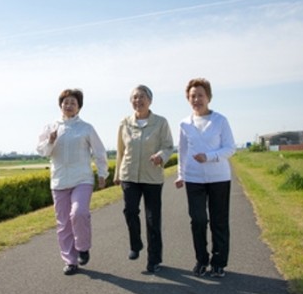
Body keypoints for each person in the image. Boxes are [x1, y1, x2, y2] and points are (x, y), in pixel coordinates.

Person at [37, 88, 108, 276]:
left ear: (79, 107)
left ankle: (83, 247)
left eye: (73, 103)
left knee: (79, 213)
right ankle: (70, 260)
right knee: (63, 223)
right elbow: (42, 151)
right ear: (60, 105)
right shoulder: (51, 127)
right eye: (66, 102)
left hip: (82, 179)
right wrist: (50, 141)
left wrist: (102, 173)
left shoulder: (86, 128)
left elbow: (99, 152)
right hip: (59, 180)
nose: (68, 105)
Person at [175, 78, 236, 278]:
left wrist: (209, 157)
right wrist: (180, 175)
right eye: (192, 96)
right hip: (194, 179)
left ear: (208, 97)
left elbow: (230, 148)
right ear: (188, 99)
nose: (196, 99)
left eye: (200, 95)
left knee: (219, 221)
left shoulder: (220, 120)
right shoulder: (184, 123)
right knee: (198, 220)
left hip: (219, 178)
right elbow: (182, 152)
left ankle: (218, 262)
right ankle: (201, 260)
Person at [114, 85, 174, 273]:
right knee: (130, 211)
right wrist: (117, 175)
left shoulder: (160, 122)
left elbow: (168, 146)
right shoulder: (124, 123)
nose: (138, 101)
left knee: (152, 219)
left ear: (150, 100)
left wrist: (161, 156)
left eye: (142, 97)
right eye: (134, 97)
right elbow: (120, 151)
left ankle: (154, 258)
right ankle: (136, 244)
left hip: (152, 176)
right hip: (129, 176)